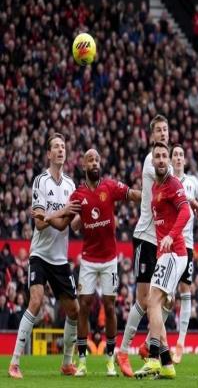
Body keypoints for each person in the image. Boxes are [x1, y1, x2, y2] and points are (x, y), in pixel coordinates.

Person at [44, 149, 141, 377]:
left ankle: (110, 361)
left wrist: (152, 194)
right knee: (84, 307)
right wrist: (47, 217)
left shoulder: (110, 186)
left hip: (110, 259)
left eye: (97, 159)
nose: (95, 163)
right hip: (88, 259)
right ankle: (82, 361)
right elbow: (65, 223)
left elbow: (132, 194)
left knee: (110, 307)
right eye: (90, 160)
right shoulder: (78, 195)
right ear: (84, 166)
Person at [9, 134, 80, 379]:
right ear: (49, 154)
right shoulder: (40, 181)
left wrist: (83, 216)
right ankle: (14, 362)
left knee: (74, 311)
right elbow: (39, 224)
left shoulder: (71, 185)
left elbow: (70, 224)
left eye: (63, 146)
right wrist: (61, 214)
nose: (61, 150)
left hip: (60, 259)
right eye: (56, 147)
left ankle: (67, 363)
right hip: (39, 254)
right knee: (36, 301)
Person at [116, 115, 169, 376]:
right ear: (151, 136)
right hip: (146, 237)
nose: (162, 133)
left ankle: (151, 346)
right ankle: (123, 350)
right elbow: (169, 183)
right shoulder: (152, 161)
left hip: (161, 240)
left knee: (161, 300)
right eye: (158, 130)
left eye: (165, 129)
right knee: (145, 299)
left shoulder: (165, 161)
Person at [134, 141, 191, 380]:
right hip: (164, 254)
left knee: (153, 301)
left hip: (175, 252)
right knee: (154, 303)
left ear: (168, 160)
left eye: (163, 156)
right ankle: (167, 364)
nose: (160, 160)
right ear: (152, 160)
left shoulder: (172, 183)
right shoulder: (156, 187)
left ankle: (153, 358)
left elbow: (185, 211)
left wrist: (170, 235)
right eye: (156, 156)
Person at [170, 144, 198, 363]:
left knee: (185, 290)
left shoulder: (192, 182)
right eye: (175, 155)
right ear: (171, 160)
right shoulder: (167, 181)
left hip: (186, 244)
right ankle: (154, 340)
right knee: (165, 294)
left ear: (184, 160)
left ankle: (181, 342)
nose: (178, 158)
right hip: (168, 242)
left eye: (181, 155)